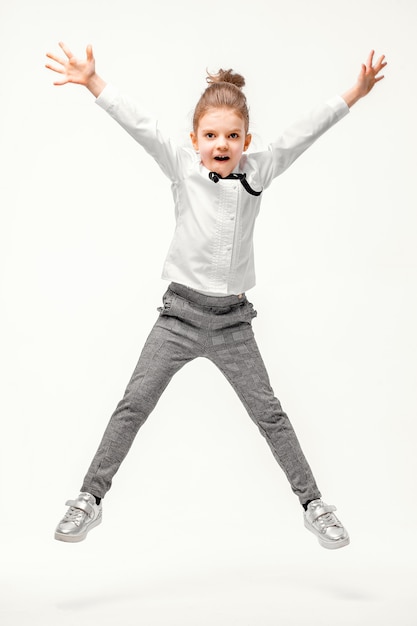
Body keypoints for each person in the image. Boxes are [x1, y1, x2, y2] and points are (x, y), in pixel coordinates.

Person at [46, 43, 386, 549]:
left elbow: (304, 133)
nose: (220, 145)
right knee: (132, 405)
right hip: (179, 317)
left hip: (231, 324)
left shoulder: (259, 168)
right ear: (194, 139)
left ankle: (314, 504)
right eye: (210, 136)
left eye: (231, 136)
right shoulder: (180, 163)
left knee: (270, 414)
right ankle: (89, 499)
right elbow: (138, 123)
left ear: (246, 140)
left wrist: (354, 94)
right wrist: (95, 82)